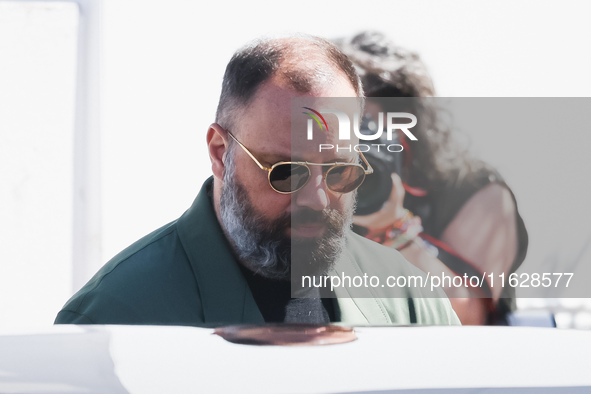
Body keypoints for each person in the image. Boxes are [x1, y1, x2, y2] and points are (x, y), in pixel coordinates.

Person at [55, 35, 459, 327]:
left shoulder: (409, 300)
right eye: (286, 171)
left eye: (340, 171)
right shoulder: (113, 318)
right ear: (219, 152)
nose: (316, 200)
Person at [335, 31, 528, 325]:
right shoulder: (317, 184)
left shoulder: (476, 193)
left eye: (368, 126)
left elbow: (465, 317)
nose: (359, 144)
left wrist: (394, 230)